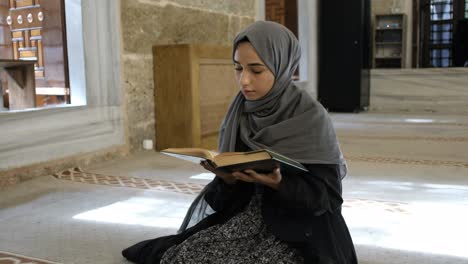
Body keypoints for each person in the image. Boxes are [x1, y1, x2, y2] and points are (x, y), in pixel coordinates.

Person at [122, 21, 357, 264]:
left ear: (282, 66)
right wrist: (227, 179)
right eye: (238, 68)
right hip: (246, 216)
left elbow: (328, 200)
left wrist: (280, 183)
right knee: (183, 257)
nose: (244, 80)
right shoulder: (240, 112)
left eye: (256, 70)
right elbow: (224, 200)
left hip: (297, 227)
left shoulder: (310, 117)